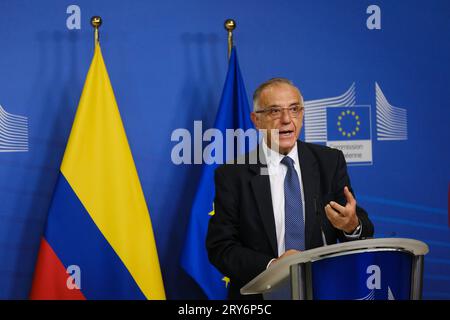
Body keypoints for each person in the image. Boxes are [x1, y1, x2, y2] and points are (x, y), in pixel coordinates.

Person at [206, 78, 374, 300]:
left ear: (302, 115)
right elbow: (221, 247)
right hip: (259, 297)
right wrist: (275, 267)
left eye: (294, 109)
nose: (286, 120)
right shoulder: (232, 175)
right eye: (275, 111)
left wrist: (351, 225)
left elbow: (360, 224)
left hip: (322, 290)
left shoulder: (328, 162)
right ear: (256, 120)